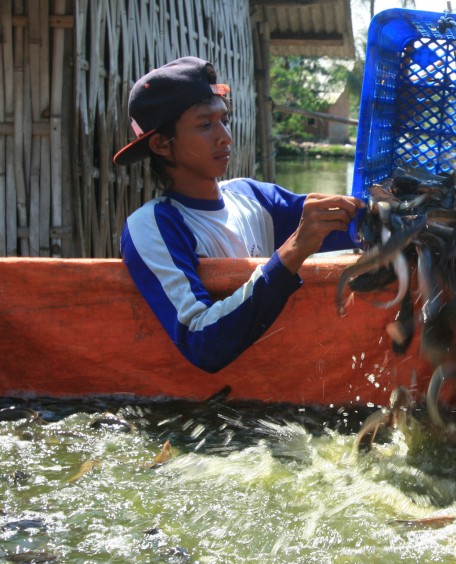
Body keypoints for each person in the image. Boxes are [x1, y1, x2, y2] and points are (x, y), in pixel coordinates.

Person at [114, 56, 363, 372]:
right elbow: (202, 342)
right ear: (163, 144)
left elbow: (352, 225)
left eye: (224, 120)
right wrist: (295, 249)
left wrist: (386, 212)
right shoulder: (154, 227)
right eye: (205, 125)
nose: (225, 137)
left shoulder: (251, 197)